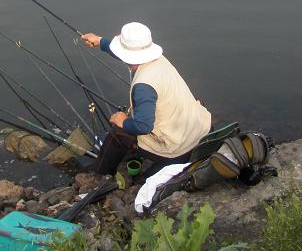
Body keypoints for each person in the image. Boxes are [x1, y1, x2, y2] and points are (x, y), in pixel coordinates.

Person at [81, 22, 211, 177]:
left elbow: (143, 126)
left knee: (118, 134)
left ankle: (98, 175)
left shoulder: (143, 87)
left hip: (177, 150)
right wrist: (100, 41)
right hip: (200, 131)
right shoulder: (158, 59)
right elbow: (129, 56)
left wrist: (123, 121)